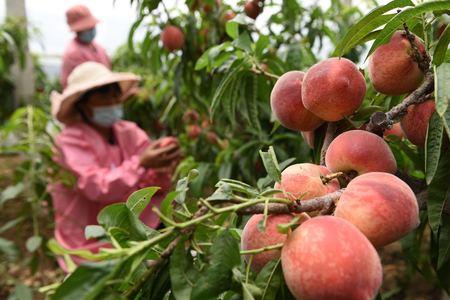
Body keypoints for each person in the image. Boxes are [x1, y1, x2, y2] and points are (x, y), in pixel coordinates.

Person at [49, 62, 181, 271]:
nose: (112, 101)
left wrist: (163, 165)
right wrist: (141, 163)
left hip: (130, 228)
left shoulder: (128, 131)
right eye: (103, 95)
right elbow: (95, 186)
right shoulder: (69, 141)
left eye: (114, 95)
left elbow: (151, 184)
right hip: (86, 236)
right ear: (82, 104)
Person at [60, 4, 111, 88]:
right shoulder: (73, 53)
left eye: (92, 27)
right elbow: (88, 84)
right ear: (78, 30)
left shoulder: (98, 47)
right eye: (88, 28)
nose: (91, 30)